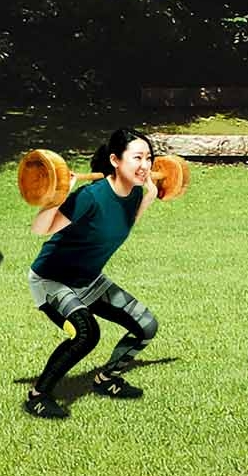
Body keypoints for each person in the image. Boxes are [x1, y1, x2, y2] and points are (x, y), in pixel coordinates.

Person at [22, 127, 163, 419]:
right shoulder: (90, 197)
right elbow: (40, 230)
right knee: (86, 334)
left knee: (146, 326)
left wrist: (150, 190)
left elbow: (128, 221)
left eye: (149, 158)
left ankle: (107, 379)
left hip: (89, 280)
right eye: (137, 158)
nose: (145, 165)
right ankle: (37, 396)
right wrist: (60, 195)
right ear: (115, 160)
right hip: (53, 280)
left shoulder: (135, 195)